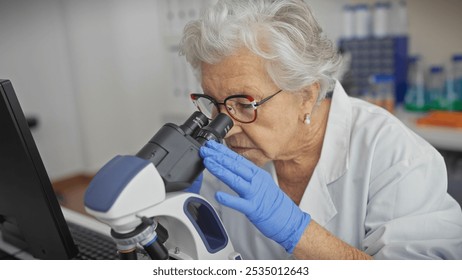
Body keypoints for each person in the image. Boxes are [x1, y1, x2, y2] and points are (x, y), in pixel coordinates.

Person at [179, 0, 462, 259]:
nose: (225, 129)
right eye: (213, 104)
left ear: (306, 95)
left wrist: (298, 231)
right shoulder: (222, 163)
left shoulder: (392, 154)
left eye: (244, 103)